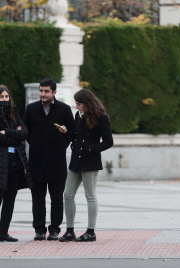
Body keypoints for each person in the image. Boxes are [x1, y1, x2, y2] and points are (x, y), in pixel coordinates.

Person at [58, 89, 113, 242]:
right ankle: (70, 230)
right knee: (68, 195)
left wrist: (91, 148)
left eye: (79, 104)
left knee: (90, 195)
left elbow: (109, 141)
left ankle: (90, 231)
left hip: (90, 161)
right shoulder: (78, 116)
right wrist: (65, 132)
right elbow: (76, 136)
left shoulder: (102, 117)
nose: (77, 107)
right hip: (76, 160)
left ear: (87, 103)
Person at [23, 78, 74, 241]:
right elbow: (26, 133)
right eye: (41, 91)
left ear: (54, 92)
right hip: (36, 161)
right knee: (37, 198)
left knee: (57, 198)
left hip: (57, 162)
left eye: (46, 91)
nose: (42, 94)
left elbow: (72, 134)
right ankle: (39, 229)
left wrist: (60, 144)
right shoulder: (30, 109)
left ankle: (54, 229)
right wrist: (38, 145)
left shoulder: (64, 110)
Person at [0, 85, 33, 242]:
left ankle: (3, 232)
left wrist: (7, 131)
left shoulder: (14, 113)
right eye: (2, 97)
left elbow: (24, 133)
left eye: (6, 97)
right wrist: (16, 134)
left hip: (15, 164)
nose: (5, 100)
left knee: (10, 201)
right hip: (1, 164)